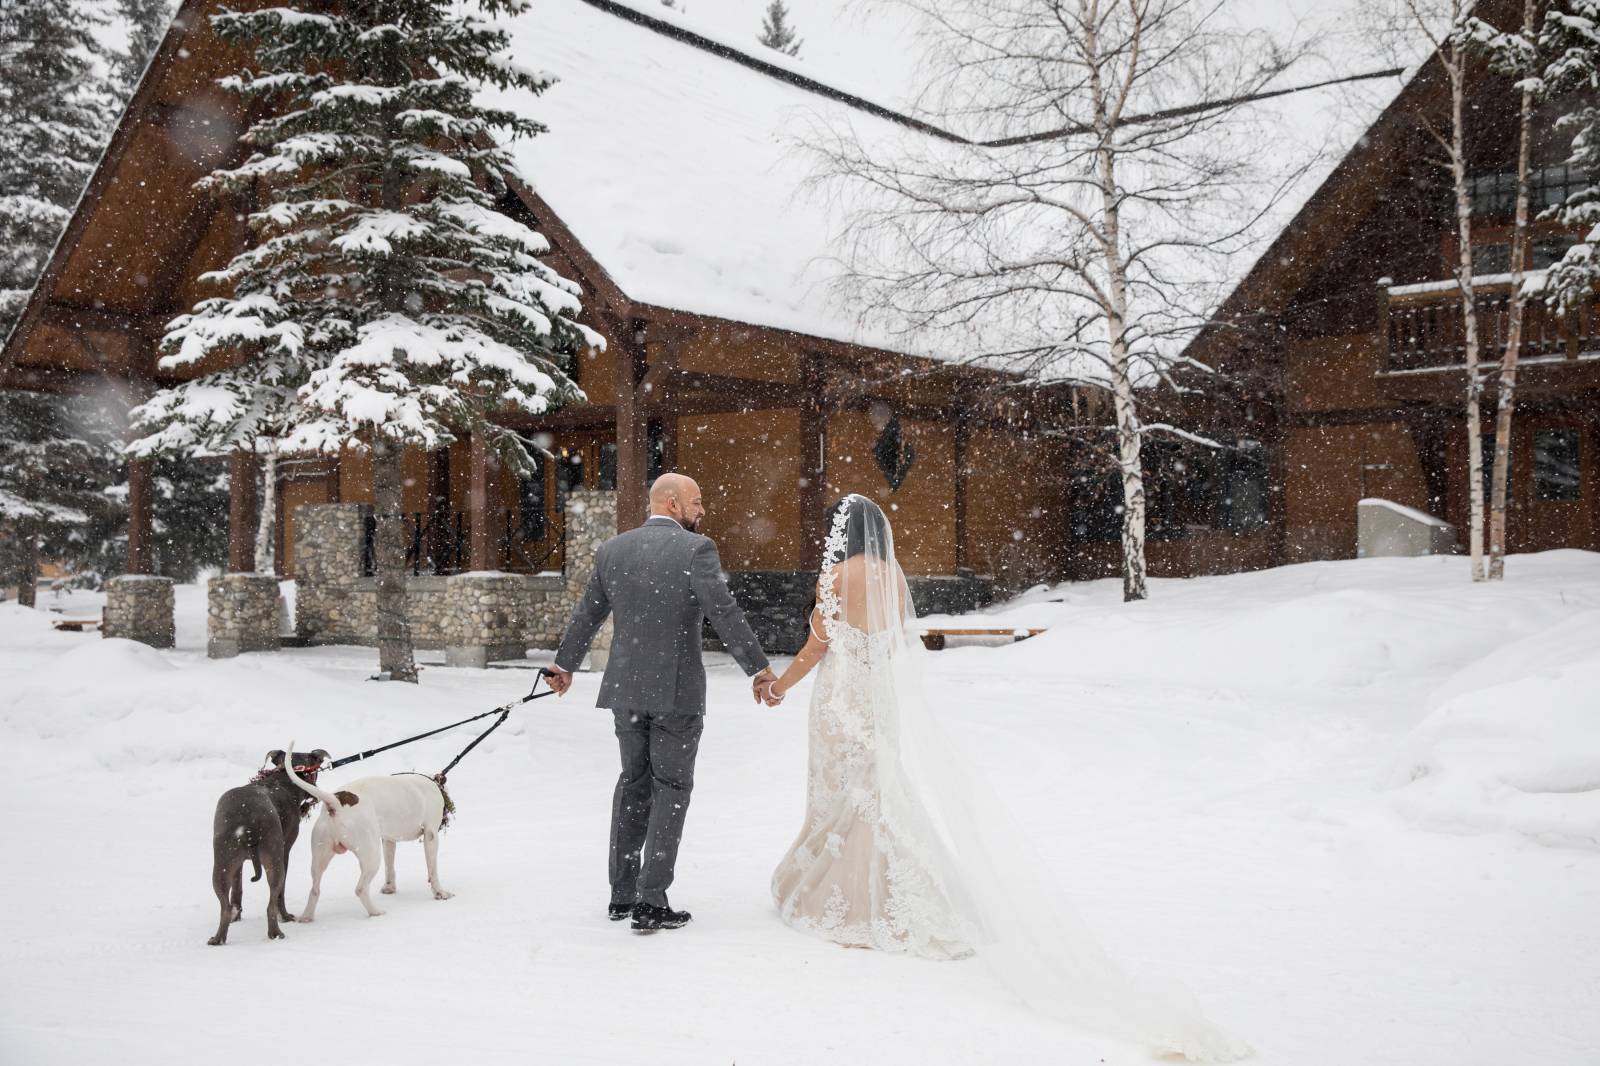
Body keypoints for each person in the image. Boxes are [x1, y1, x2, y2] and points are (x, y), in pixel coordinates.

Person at [764, 494, 1250, 1062]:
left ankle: (847, 898)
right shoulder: (893, 575)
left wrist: (777, 687)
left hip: (841, 696)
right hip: (880, 698)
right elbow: (895, 637)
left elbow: (817, 645)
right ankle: (881, 885)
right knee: (873, 792)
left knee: (844, 789)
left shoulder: (836, 575)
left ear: (841, 533)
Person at [546, 472, 779, 933]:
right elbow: (724, 613)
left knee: (633, 785)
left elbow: (588, 612)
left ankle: (622, 894)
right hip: (676, 695)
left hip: (626, 691)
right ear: (671, 503)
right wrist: (758, 668)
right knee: (671, 790)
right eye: (696, 500)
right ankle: (651, 901)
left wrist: (563, 665)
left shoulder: (613, 550)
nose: (703, 509)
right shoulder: (696, 550)